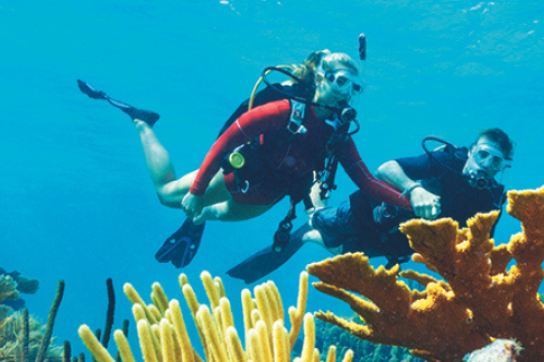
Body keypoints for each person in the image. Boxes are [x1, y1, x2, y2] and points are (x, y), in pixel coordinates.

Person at [88, 50, 410, 268]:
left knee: (212, 215)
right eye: (340, 81)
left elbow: (366, 182)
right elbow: (227, 141)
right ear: (321, 77)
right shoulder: (286, 110)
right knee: (165, 194)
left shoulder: (337, 136)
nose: (346, 92)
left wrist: (413, 202)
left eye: (355, 87)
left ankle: (198, 217)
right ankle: (142, 122)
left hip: (266, 198)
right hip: (234, 178)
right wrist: (198, 189)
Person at [227, 128, 515, 283]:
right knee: (319, 221)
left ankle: (312, 229)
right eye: (483, 155)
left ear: (503, 167)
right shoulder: (444, 161)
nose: (486, 165)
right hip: (369, 212)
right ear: (471, 151)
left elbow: (481, 246)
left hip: (399, 243)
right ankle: (314, 200)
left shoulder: (491, 199)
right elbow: (384, 169)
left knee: (339, 251)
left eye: (496, 162)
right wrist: (414, 189)